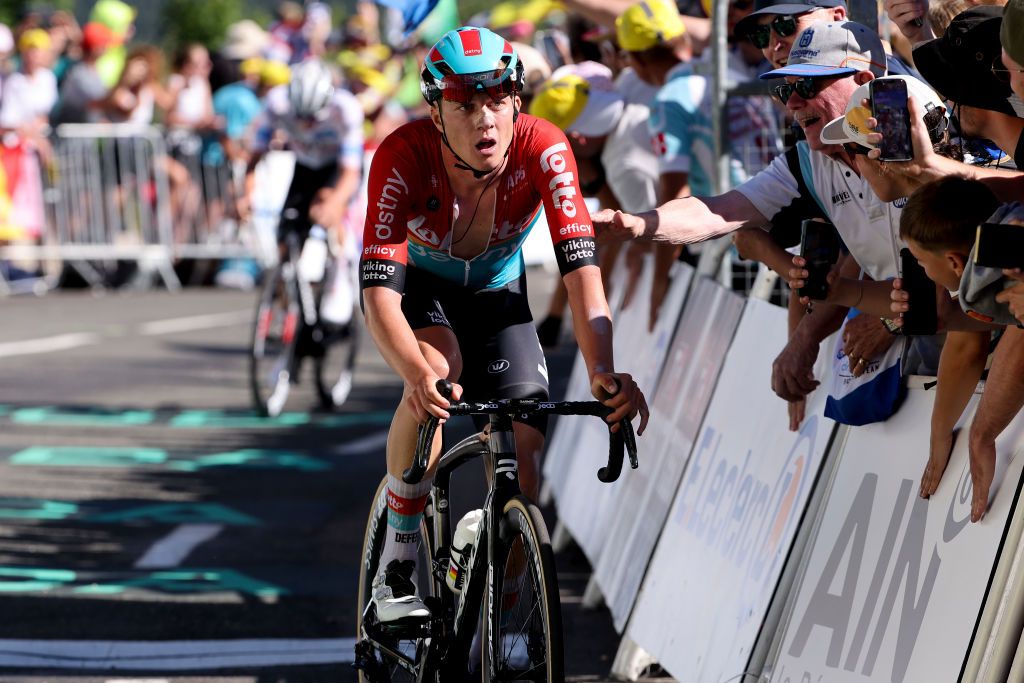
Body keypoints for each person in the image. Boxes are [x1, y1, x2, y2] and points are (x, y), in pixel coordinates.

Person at [359, 26, 649, 624]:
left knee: (526, 445)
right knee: (439, 372)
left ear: (518, 99)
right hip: (424, 293)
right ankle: (401, 550)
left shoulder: (545, 147)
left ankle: (512, 614)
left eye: (497, 100)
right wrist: (414, 375)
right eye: (465, 104)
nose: (484, 120)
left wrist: (601, 369)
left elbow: (581, 269)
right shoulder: (401, 153)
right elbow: (378, 295)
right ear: (436, 111)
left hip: (497, 294)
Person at [599, 22, 915, 410]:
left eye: (806, 86)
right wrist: (640, 224)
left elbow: (958, 263)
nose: (791, 103)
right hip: (913, 321)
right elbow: (718, 211)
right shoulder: (805, 161)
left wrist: (892, 321)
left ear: (863, 79)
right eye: (784, 90)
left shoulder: (911, 131)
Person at [242, 59, 364, 333]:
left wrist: (333, 203)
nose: (308, 124)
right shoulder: (276, 103)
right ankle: (290, 304)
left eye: (314, 117)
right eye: (302, 117)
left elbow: (350, 173)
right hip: (306, 166)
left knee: (326, 207)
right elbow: (254, 157)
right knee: (285, 236)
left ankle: (338, 278)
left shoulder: (346, 109)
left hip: (337, 168)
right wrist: (246, 195)